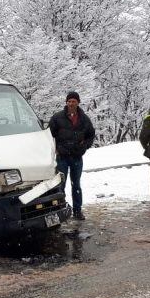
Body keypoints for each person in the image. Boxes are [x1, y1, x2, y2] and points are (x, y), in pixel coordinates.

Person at [48, 91, 95, 221]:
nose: (71, 103)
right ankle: (60, 210)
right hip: (62, 157)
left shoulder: (84, 119)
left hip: (76, 157)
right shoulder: (57, 117)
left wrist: (84, 145)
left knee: (76, 185)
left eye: (74, 101)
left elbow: (91, 135)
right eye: (69, 101)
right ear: (66, 103)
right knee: (60, 185)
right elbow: (48, 134)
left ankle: (77, 210)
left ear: (78, 102)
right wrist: (55, 149)